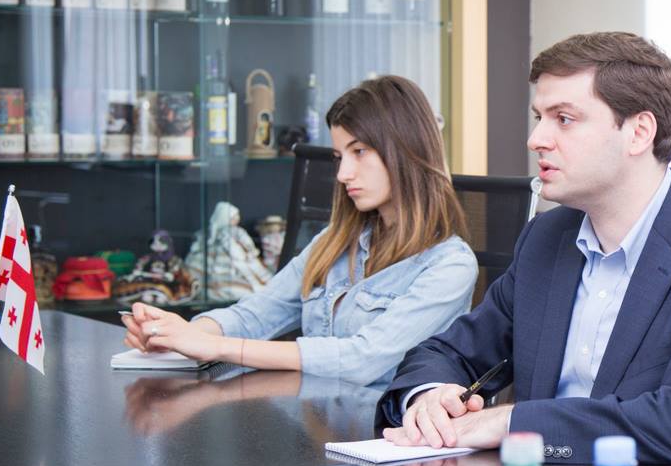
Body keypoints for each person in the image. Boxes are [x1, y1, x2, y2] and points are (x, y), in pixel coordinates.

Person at [378, 32, 671, 466]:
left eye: (564, 119)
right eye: (540, 118)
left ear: (639, 133)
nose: (536, 139)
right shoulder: (546, 238)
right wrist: (430, 397)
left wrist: (511, 422)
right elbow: (449, 351)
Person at [121, 75, 478, 387]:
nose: (343, 174)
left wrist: (217, 347)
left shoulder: (449, 266)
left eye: (359, 152)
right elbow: (256, 315)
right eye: (339, 157)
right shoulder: (334, 243)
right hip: (316, 420)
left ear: (406, 151)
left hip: (386, 432)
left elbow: (363, 359)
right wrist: (177, 334)